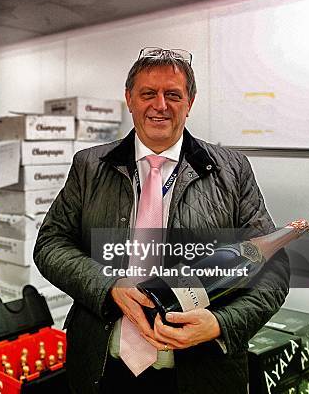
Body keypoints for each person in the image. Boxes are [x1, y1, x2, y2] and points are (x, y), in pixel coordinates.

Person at [34, 47, 290, 393]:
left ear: (190, 101)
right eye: (148, 94)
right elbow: (50, 244)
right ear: (129, 99)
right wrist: (108, 285)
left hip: (200, 371)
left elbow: (273, 269)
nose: (160, 105)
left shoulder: (233, 171)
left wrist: (220, 323)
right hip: (103, 366)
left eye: (173, 95)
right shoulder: (89, 166)